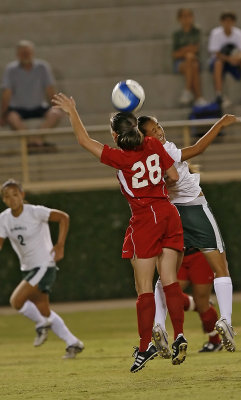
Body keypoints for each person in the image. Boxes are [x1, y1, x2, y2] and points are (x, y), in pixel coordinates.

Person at [52, 93, 186, 373]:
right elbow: (173, 177)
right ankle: (180, 336)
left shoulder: (119, 157)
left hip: (145, 218)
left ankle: (145, 345)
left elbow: (83, 141)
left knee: (144, 287)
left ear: (115, 135)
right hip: (168, 212)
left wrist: (72, 112)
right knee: (171, 280)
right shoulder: (151, 143)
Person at [138, 113, 238, 354]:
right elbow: (199, 148)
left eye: (158, 126)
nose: (159, 131)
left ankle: (159, 325)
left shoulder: (143, 156)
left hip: (169, 213)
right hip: (194, 209)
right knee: (221, 268)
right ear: (145, 137)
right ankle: (225, 320)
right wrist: (220, 124)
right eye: (153, 130)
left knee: (166, 275)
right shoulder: (164, 151)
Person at [0, 179, 84, 359]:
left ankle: (41, 325)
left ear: (22, 194)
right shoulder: (4, 218)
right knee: (44, 310)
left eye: (15, 194)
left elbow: (63, 217)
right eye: (7, 196)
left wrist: (60, 245)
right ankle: (73, 343)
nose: (12, 199)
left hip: (44, 265)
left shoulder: (34, 212)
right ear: (4, 200)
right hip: (28, 268)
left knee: (16, 301)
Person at [154, 248, 222, 356]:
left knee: (202, 304)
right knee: (168, 293)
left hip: (199, 254)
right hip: (176, 254)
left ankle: (215, 341)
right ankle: (177, 334)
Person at [0, 40, 62, 152]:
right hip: (18, 108)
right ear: (17, 54)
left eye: (27, 52)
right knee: (12, 117)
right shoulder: (11, 69)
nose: (26, 55)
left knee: (56, 113)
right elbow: (6, 94)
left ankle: (35, 141)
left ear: (32, 53)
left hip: (39, 106)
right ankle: (34, 142)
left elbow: (50, 90)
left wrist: (57, 106)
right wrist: (3, 114)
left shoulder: (43, 67)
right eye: (23, 53)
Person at [208, 11, 241, 107]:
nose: (227, 23)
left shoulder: (239, 33)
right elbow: (216, 53)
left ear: (234, 22)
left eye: (230, 21)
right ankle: (219, 95)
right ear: (221, 22)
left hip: (234, 61)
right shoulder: (215, 33)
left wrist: (237, 58)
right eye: (225, 21)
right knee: (218, 63)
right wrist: (229, 59)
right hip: (221, 61)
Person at [172, 8, 207, 107]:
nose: (187, 19)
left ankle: (187, 91)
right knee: (191, 61)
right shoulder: (176, 34)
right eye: (184, 16)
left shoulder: (196, 31)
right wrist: (188, 50)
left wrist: (183, 50)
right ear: (179, 19)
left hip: (194, 60)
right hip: (179, 63)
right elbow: (175, 54)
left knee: (192, 62)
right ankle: (199, 97)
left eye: (189, 16)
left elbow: (196, 48)